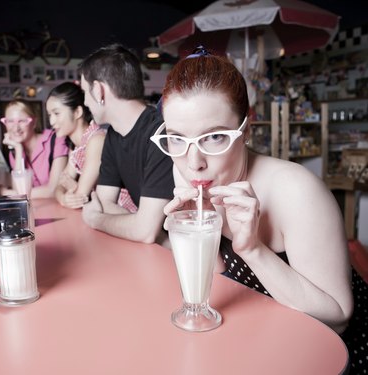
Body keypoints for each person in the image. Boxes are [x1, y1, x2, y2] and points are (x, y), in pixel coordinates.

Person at [151, 51, 367, 374]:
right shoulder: (185, 169)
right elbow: (221, 281)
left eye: (214, 137)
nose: (194, 161)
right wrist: (193, 236)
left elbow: (337, 319)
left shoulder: (296, 192)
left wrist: (252, 249)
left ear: (247, 130)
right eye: (177, 138)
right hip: (261, 339)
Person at [79, 43, 174, 243]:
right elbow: (103, 202)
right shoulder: (113, 134)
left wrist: (96, 219)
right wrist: (138, 224)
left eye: (85, 92)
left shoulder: (162, 134)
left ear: (98, 91)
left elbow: (145, 232)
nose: (85, 102)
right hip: (156, 251)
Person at [46, 82, 111, 209]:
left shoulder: (96, 140)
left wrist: (73, 189)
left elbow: (79, 197)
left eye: (57, 113)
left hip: (118, 213)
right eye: (50, 115)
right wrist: (64, 198)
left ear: (77, 112)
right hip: (97, 212)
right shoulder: (76, 147)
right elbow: (59, 187)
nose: (51, 122)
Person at [0, 99, 68, 198]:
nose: (16, 128)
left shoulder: (56, 140)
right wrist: (18, 150)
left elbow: (54, 190)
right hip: (36, 210)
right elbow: (19, 189)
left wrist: (10, 194)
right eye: (10, 121)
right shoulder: (14, 152)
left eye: (22, 121)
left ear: (34, 122)